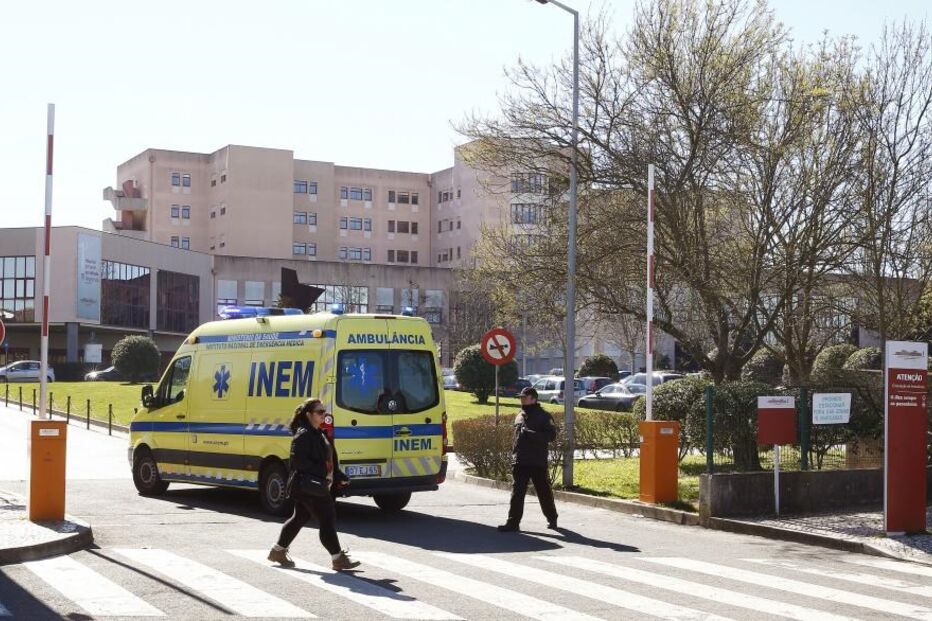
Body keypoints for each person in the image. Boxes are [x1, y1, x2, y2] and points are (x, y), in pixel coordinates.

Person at [268, 398, 360, 570]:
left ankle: (278, 551)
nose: (323, 414)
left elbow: (329, 460)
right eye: (319, 412)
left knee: (299, 517)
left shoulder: (320, 433)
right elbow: (298, 462)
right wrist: (323, 473)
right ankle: (338, 558)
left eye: (324, 411)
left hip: (315, 484)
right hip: (309, 486)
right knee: (327, 518)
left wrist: (337, 475)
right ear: (309, 415)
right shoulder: (303, 435)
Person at [498, 386, 559, 532]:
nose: (522, 399)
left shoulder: (544, 416)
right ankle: (513, 523)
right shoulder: (520, 415)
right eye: (521, 397)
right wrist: (513, 455)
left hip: (537, 461)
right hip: (520, 461)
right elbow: (516, 439)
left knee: (543, 491)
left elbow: (551, 436)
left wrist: (532, 434)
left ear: (534, 399)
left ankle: (552, 517)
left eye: (525, 397)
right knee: (517, 493)